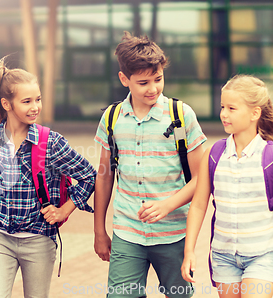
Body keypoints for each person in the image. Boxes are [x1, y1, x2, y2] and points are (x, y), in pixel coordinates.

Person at [93, 31, 206, 298]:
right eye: (143, 82)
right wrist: (99, 230)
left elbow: (202, 178)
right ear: (124, 79)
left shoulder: (181, 116)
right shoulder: (112, 118)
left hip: (175, 234)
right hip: (127, 232)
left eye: (158, 79)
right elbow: (104, 176)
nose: (153, 88)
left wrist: (167, 205)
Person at [0, 57, 96, 298]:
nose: (35, 107)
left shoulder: (51, 142)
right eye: (27, 101)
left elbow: (90, 176)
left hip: (39, 240)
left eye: (38, 99)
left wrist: (64, 210)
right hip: (0, 238)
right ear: (6, 104)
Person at [182, 75, 273, 297]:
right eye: (223, 106)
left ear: (255, 113)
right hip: (223, 256)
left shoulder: (269, 156)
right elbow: (198, 205)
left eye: (232, 108)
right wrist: (189, 250)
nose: (224, 114)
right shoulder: (213, 155)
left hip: (263, 253)